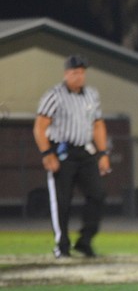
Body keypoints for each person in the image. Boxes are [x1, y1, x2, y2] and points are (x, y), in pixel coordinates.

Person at [33, 55, 111, 258]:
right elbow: (40, 126)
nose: (79, 76)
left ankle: (85, 241)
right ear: (66, 74)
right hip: (62, 152)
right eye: (75, 72)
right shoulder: (54, 95)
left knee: (98, 194)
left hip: (85, 151)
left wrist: (103, 153)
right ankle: (62, 245)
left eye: (82, 72)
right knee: (62, 201)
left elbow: (98, 124)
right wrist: (47, 153)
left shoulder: (92, 95)